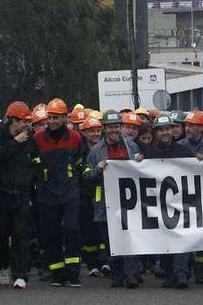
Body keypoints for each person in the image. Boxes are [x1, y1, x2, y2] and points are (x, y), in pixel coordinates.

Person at [86, 110, 143, 289]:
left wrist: (141, 162)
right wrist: (97, 169)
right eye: (110, 127)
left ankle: (131, 275)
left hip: (129, 202)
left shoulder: (132, 147)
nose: (114, 130)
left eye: (116, 126)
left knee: (130, 238)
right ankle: (117, 274)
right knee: (111, 240)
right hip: (106, 203)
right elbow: (86, 176)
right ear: (104, 128)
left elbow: (141, 172)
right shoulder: (95, 151)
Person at [33, 98, 85, 287]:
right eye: (50, 117)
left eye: (56, 117)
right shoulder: (38, 138)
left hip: (70, 192)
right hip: (46, 193)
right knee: (50, 234)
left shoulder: (75, 138)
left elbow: (81, 163)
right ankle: (57, 273)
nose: (52, 121)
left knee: (72, 230)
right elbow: (32, 162)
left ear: (65, 117)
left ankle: (73, 273)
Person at [0, 101, 35, 289]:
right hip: (1, 195)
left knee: (21, 235)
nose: (27, 125)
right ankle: (2, 266)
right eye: (23, 121)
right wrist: (15, 142)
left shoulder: (30, 139)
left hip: (22, 195)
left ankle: (21, 275)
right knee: (0, 235)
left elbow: (34, 161)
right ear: (13, 120)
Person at [145, 115, 194, 289]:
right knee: (164, 238)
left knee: (181, 237)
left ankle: (181, 274)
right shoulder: (148, 154)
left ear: (172, 131)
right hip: (159, 204)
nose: (165, 133)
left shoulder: (184, 152)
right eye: (161, 130)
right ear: (155, 132)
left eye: (167, 129)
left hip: (181, 203)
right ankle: (169, 273)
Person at [78, 117, 105, 278]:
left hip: (103, 195)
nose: (96, 134)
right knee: (88, 230)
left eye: (97, 130)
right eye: (91, 131)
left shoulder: (105, 148)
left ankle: (105, 262)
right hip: (85, 195)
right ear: (84, 132)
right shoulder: (80, 150)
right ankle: (92, 264)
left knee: (102, 230)